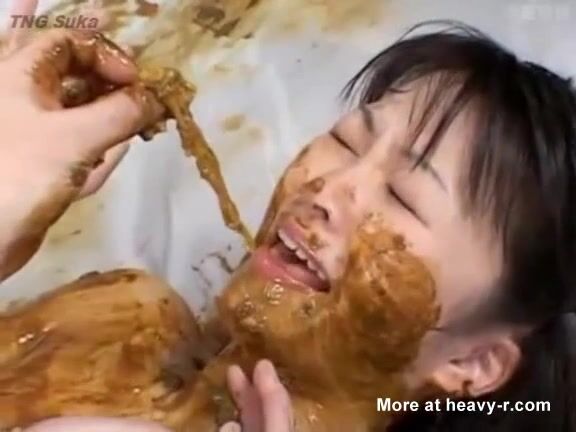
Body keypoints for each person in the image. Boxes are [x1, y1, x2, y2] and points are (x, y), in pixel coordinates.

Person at [3, 2, 576, 432]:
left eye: (403, 196)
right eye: (347, 141)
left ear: (473, 362)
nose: (328, 189)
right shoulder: (121, 319)